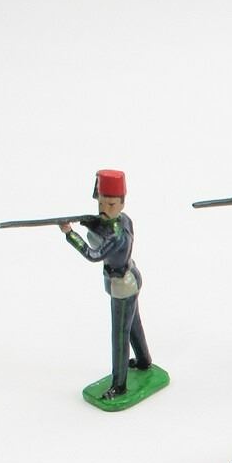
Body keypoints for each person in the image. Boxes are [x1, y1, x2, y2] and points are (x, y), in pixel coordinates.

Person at [60, 170, 153, 400]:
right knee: (133, 325)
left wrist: (70, 233)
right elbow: (103, 224)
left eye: (110, 204)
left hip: (122, 286)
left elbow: (93, 254)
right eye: (101, 203)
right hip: (129, 279)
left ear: (121, 203)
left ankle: (119, 385)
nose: (104, 209)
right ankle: (144, 360)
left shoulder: (117, 236)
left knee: (120, 335)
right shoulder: (123, 219)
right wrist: (88, 222)